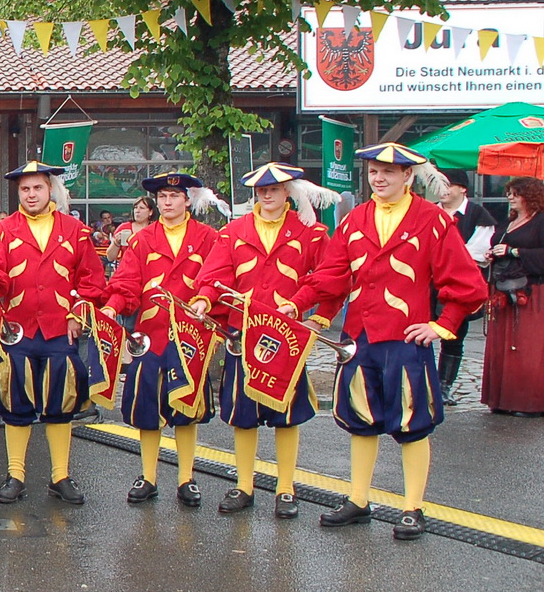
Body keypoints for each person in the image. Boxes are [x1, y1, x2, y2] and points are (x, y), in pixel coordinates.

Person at [287, 143, 485, 541]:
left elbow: (467, 283)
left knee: (413, 423)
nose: (378, 179)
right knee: (361, 421)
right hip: (360, 337)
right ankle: (358, 500)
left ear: (408, 177)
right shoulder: (356, 218)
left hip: (405, 340)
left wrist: (441, 325)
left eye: (388, 172)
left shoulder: (432, 220)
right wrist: (297, 304)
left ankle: (413, 507)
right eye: (374, 172)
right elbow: (332, 274)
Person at [190, 163, 332, 518]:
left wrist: (315, 316)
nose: (267, 195)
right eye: (261, 191)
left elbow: (330, 278)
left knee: (287, 414)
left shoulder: (311, 234)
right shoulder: (233, 232)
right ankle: (244, 485)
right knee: (243, 414)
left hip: (287, 338)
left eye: (274, 189)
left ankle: (286, 488)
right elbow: (216, 275)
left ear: (288, 192)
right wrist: (205, 300)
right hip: (244, 334)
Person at [0, 162, 107, 505]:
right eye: (25, 189)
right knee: (15, 403)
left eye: (37, 188)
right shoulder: (2, 231)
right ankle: (15, 474)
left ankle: (59, 476)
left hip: (58, 331)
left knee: (60, 404)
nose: (31, 195)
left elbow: (92, 280)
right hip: (17, 333)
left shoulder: (75, 230)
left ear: (50, 190)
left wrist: (79, 314)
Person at [104, 171, 222, 507]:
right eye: (163, 197)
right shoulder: (142, 240)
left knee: (187, 408)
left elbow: (214, 278)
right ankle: (149, 476)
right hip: (150, 336)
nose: (168, 202)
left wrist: (206, 299)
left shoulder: (207, 237)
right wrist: (113, 308)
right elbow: (126, 283)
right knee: (146, 408)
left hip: (190, 336)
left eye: (174, 197)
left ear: (187, 200)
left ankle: (187, 478)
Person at [483, 177, 544, 414]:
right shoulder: (508, 222)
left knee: (527, 347)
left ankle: (528, 402)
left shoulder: (540, 221)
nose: (510, 197)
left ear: (530, 195)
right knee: (503, 346)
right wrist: (493, 254)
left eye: (515, 193)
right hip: (503, 289)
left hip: (531, 291)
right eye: (509, 193)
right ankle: (502, 400)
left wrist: (514, 251)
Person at [436, 168, 496, 403]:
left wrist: (441, 258)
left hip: (459, 286)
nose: (443, 190)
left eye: (449, 185)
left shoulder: (478, 215)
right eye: (441, 185)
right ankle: (421, 383)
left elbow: (478, 253)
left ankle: (443, 387)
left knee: (453, 336)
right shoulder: (429, 212)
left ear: (462, 188)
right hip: (426, 285)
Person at [104, 197, 155, 267]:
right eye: (135, 208)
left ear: (150, 212)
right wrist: (116, 243)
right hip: (127, 270)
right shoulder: (124, 227)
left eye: (142, 208)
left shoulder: (156, 229)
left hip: (150, 270)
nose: (137, 211)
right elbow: (110, 257)